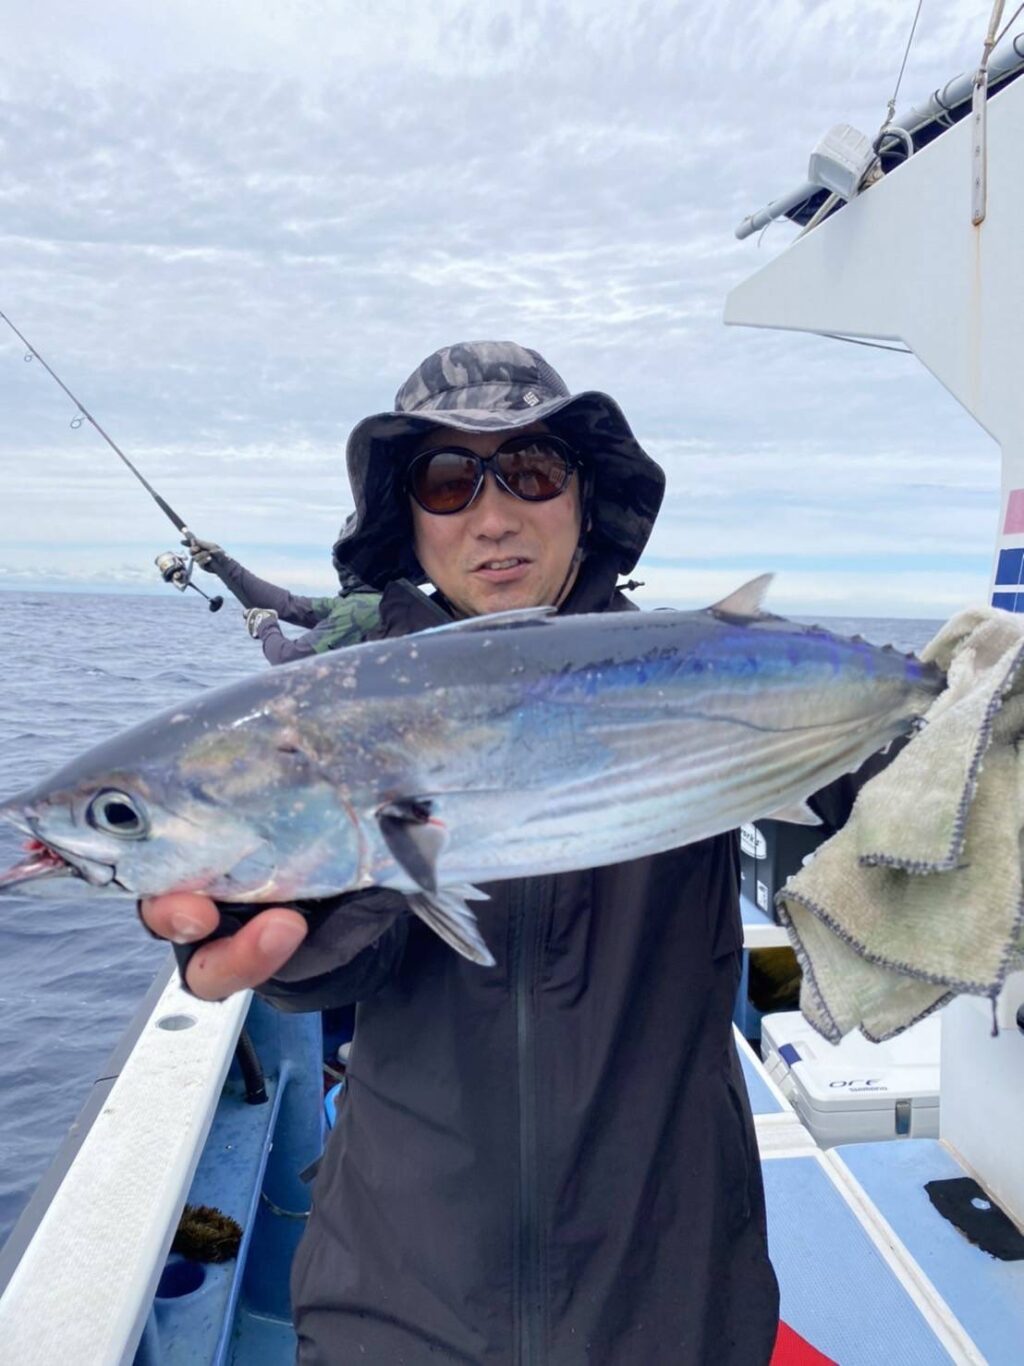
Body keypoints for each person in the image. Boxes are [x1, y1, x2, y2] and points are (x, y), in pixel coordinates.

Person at [141, 341, 782, 1365]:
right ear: (410, 519)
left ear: (585, 496)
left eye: (531, 469)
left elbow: (859, 814)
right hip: (398, 1295)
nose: (493, 517)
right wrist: (264, 897)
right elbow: (326, 970)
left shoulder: (714, 671)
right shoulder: (339, 719)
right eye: (449, 481)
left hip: (670, 1285)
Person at [182, 537, 382, 665]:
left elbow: (288, 659)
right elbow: (288, 605)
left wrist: (264, 625)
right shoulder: (378, 599)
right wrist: (225, 566)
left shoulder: (365, 607)